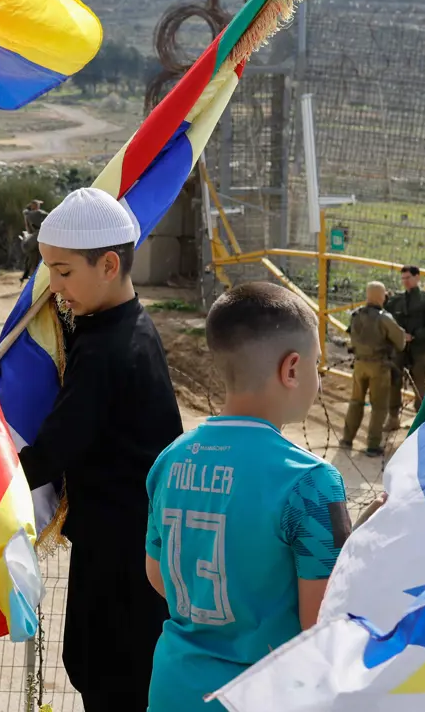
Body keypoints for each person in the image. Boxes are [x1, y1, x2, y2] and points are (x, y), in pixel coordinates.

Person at [144, 282, 350, 708]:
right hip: (262, 696)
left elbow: (158, 573)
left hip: (174, 687)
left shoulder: (170, 459)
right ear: (292, 369)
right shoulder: (312, 482)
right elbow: (323, 622)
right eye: (317, 365)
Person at [19, 187, 183, 712]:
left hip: (122, 566)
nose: (54, 288)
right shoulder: (123, 327)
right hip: (135, 551)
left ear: (109, 264)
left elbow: (55, 448)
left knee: (111, 678)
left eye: (63, 273)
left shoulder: (109, 349)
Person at [341, 281, 407, 458]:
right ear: (381, 296)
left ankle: (347, 438)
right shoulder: (384, 318)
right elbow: (400, 342)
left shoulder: (356, 315)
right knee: (379, 406)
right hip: (379, 366)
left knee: (356, 401)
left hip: (359, 364)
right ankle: (373, 445)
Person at [385, 265, 425, 428]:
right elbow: (386, 316)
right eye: (403, 279)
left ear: (417, 278)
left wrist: (415, 335)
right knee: (394, 381)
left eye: (408, 278)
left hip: (419, 348)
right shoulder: (397, 300)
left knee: (419, 383)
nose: (405, 282)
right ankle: (393, 417)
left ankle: (421, 420)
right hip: (400, 348)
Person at [19, 199, 48, 282]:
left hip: (37, 236)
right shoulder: (41, 213)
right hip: (43, 237)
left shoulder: (30, 214)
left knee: (28, 248)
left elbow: (28, 230)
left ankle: (29, 273)